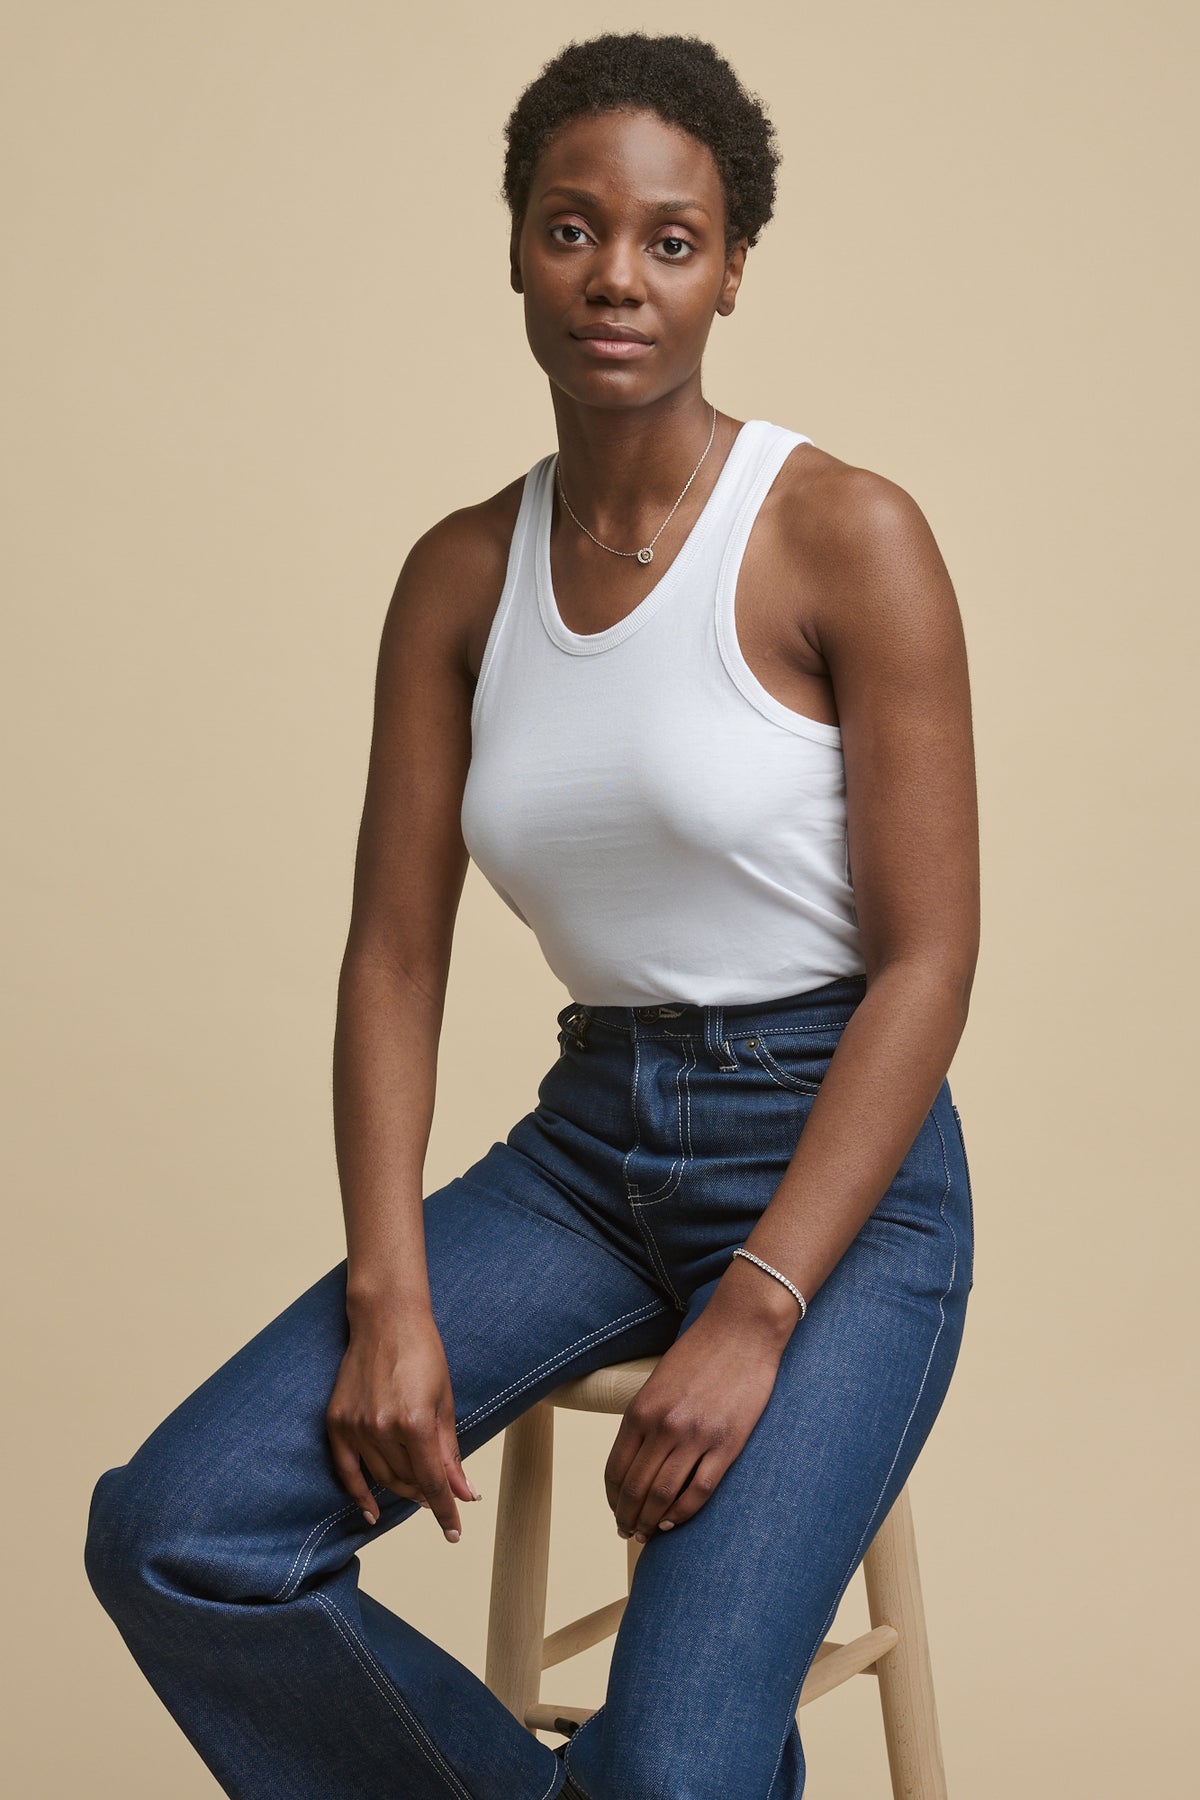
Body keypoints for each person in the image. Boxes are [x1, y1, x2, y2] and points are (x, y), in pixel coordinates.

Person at [84, 29, 978, 1800]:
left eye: (669, 240)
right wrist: (390, 1292)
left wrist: (761, 1304)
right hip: (587, 1155)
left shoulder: (843, 534)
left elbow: (931, 960)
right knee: (177, 1532)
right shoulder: (462, 575)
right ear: (515, 247)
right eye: (574, 231)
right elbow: (395, 954)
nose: (618, 280)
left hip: (840, 1181)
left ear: (730, 270)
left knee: (674, 1772)